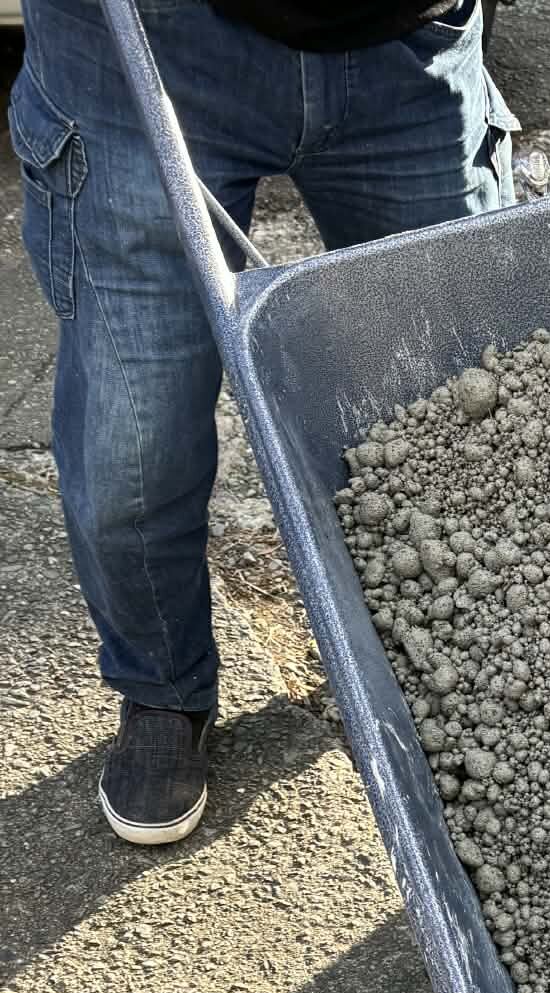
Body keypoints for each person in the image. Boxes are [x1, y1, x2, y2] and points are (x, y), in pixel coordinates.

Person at [9, 0, 518, 844]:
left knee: (472, 421)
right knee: (133, 452)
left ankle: (464, 676)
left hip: (406, 49)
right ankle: (163, 688)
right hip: (137, 50)